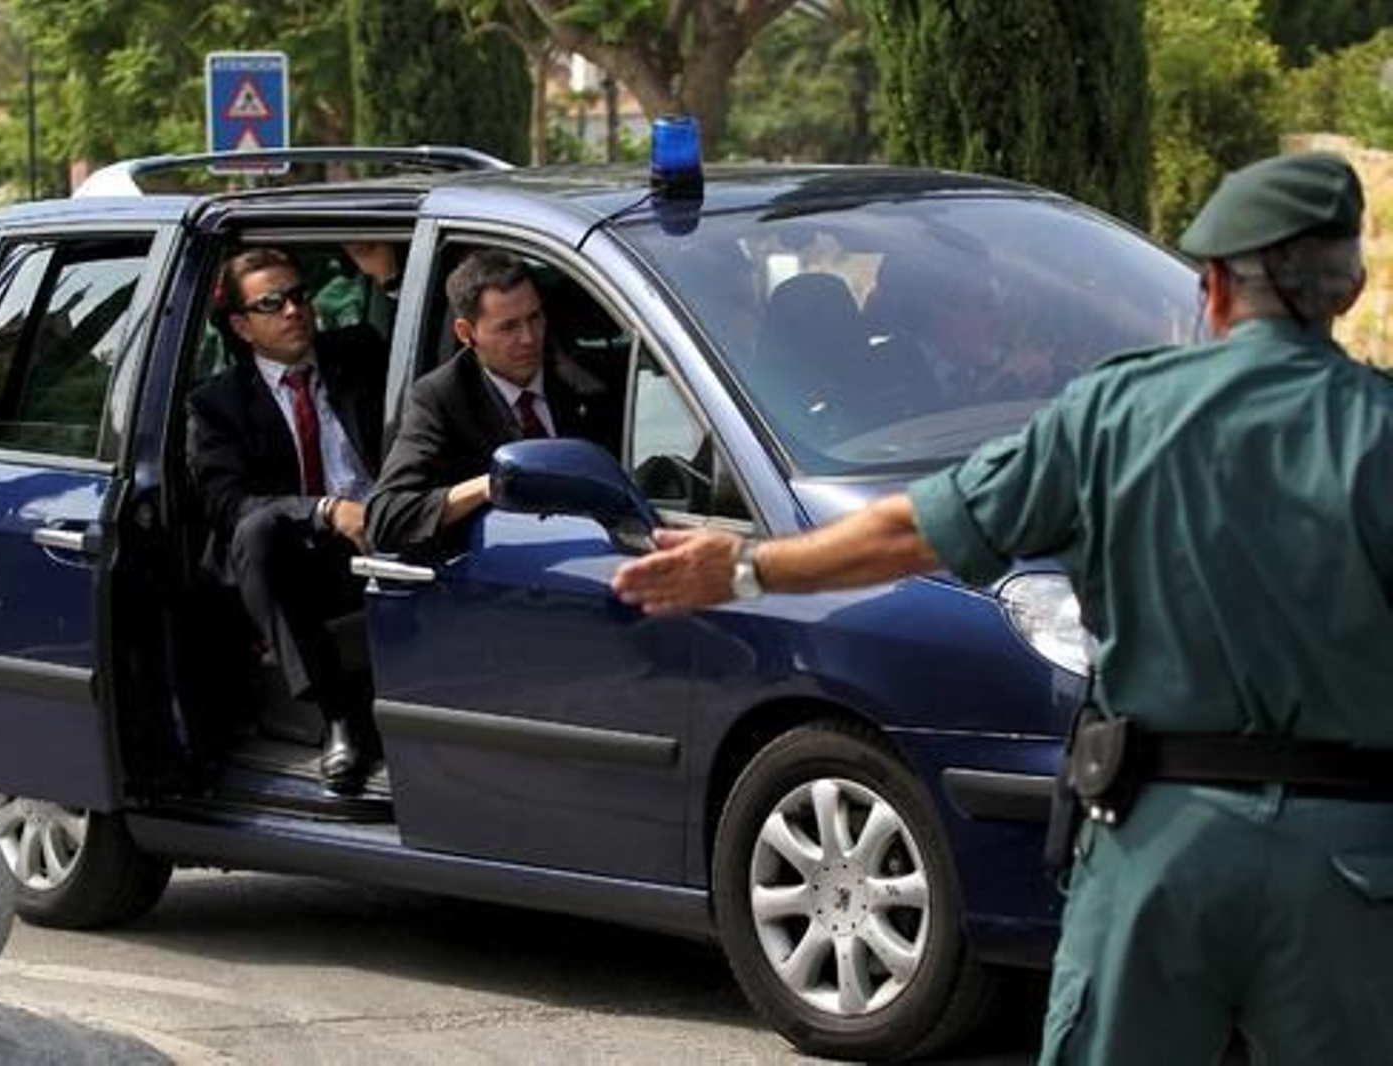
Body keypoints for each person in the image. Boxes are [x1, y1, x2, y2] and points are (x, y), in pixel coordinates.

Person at [612, 151, 1392, 1064]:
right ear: (1350, 290)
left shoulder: (1116, 413)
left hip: (1159, 855)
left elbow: (916, 531)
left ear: (1214, 287)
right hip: (1350, 864)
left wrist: (745, 571)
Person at [187, 246, 388, 795]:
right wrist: (324, 511)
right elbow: (228, 505)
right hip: (303, 556)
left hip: (388, 531)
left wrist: (386, 275)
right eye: (271, 303)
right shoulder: (217, 405)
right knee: (254, 534)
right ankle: (337, 717)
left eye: (299, 296)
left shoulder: (358, 353)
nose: (293, 311)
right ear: (242, 326)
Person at [366, 249, 620, 555]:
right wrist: (489, 486)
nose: (529, 338)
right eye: (508, 327)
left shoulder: (584, 378)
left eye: (535, 317)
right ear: (466, 332)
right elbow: (386, 517)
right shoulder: (442, 398)